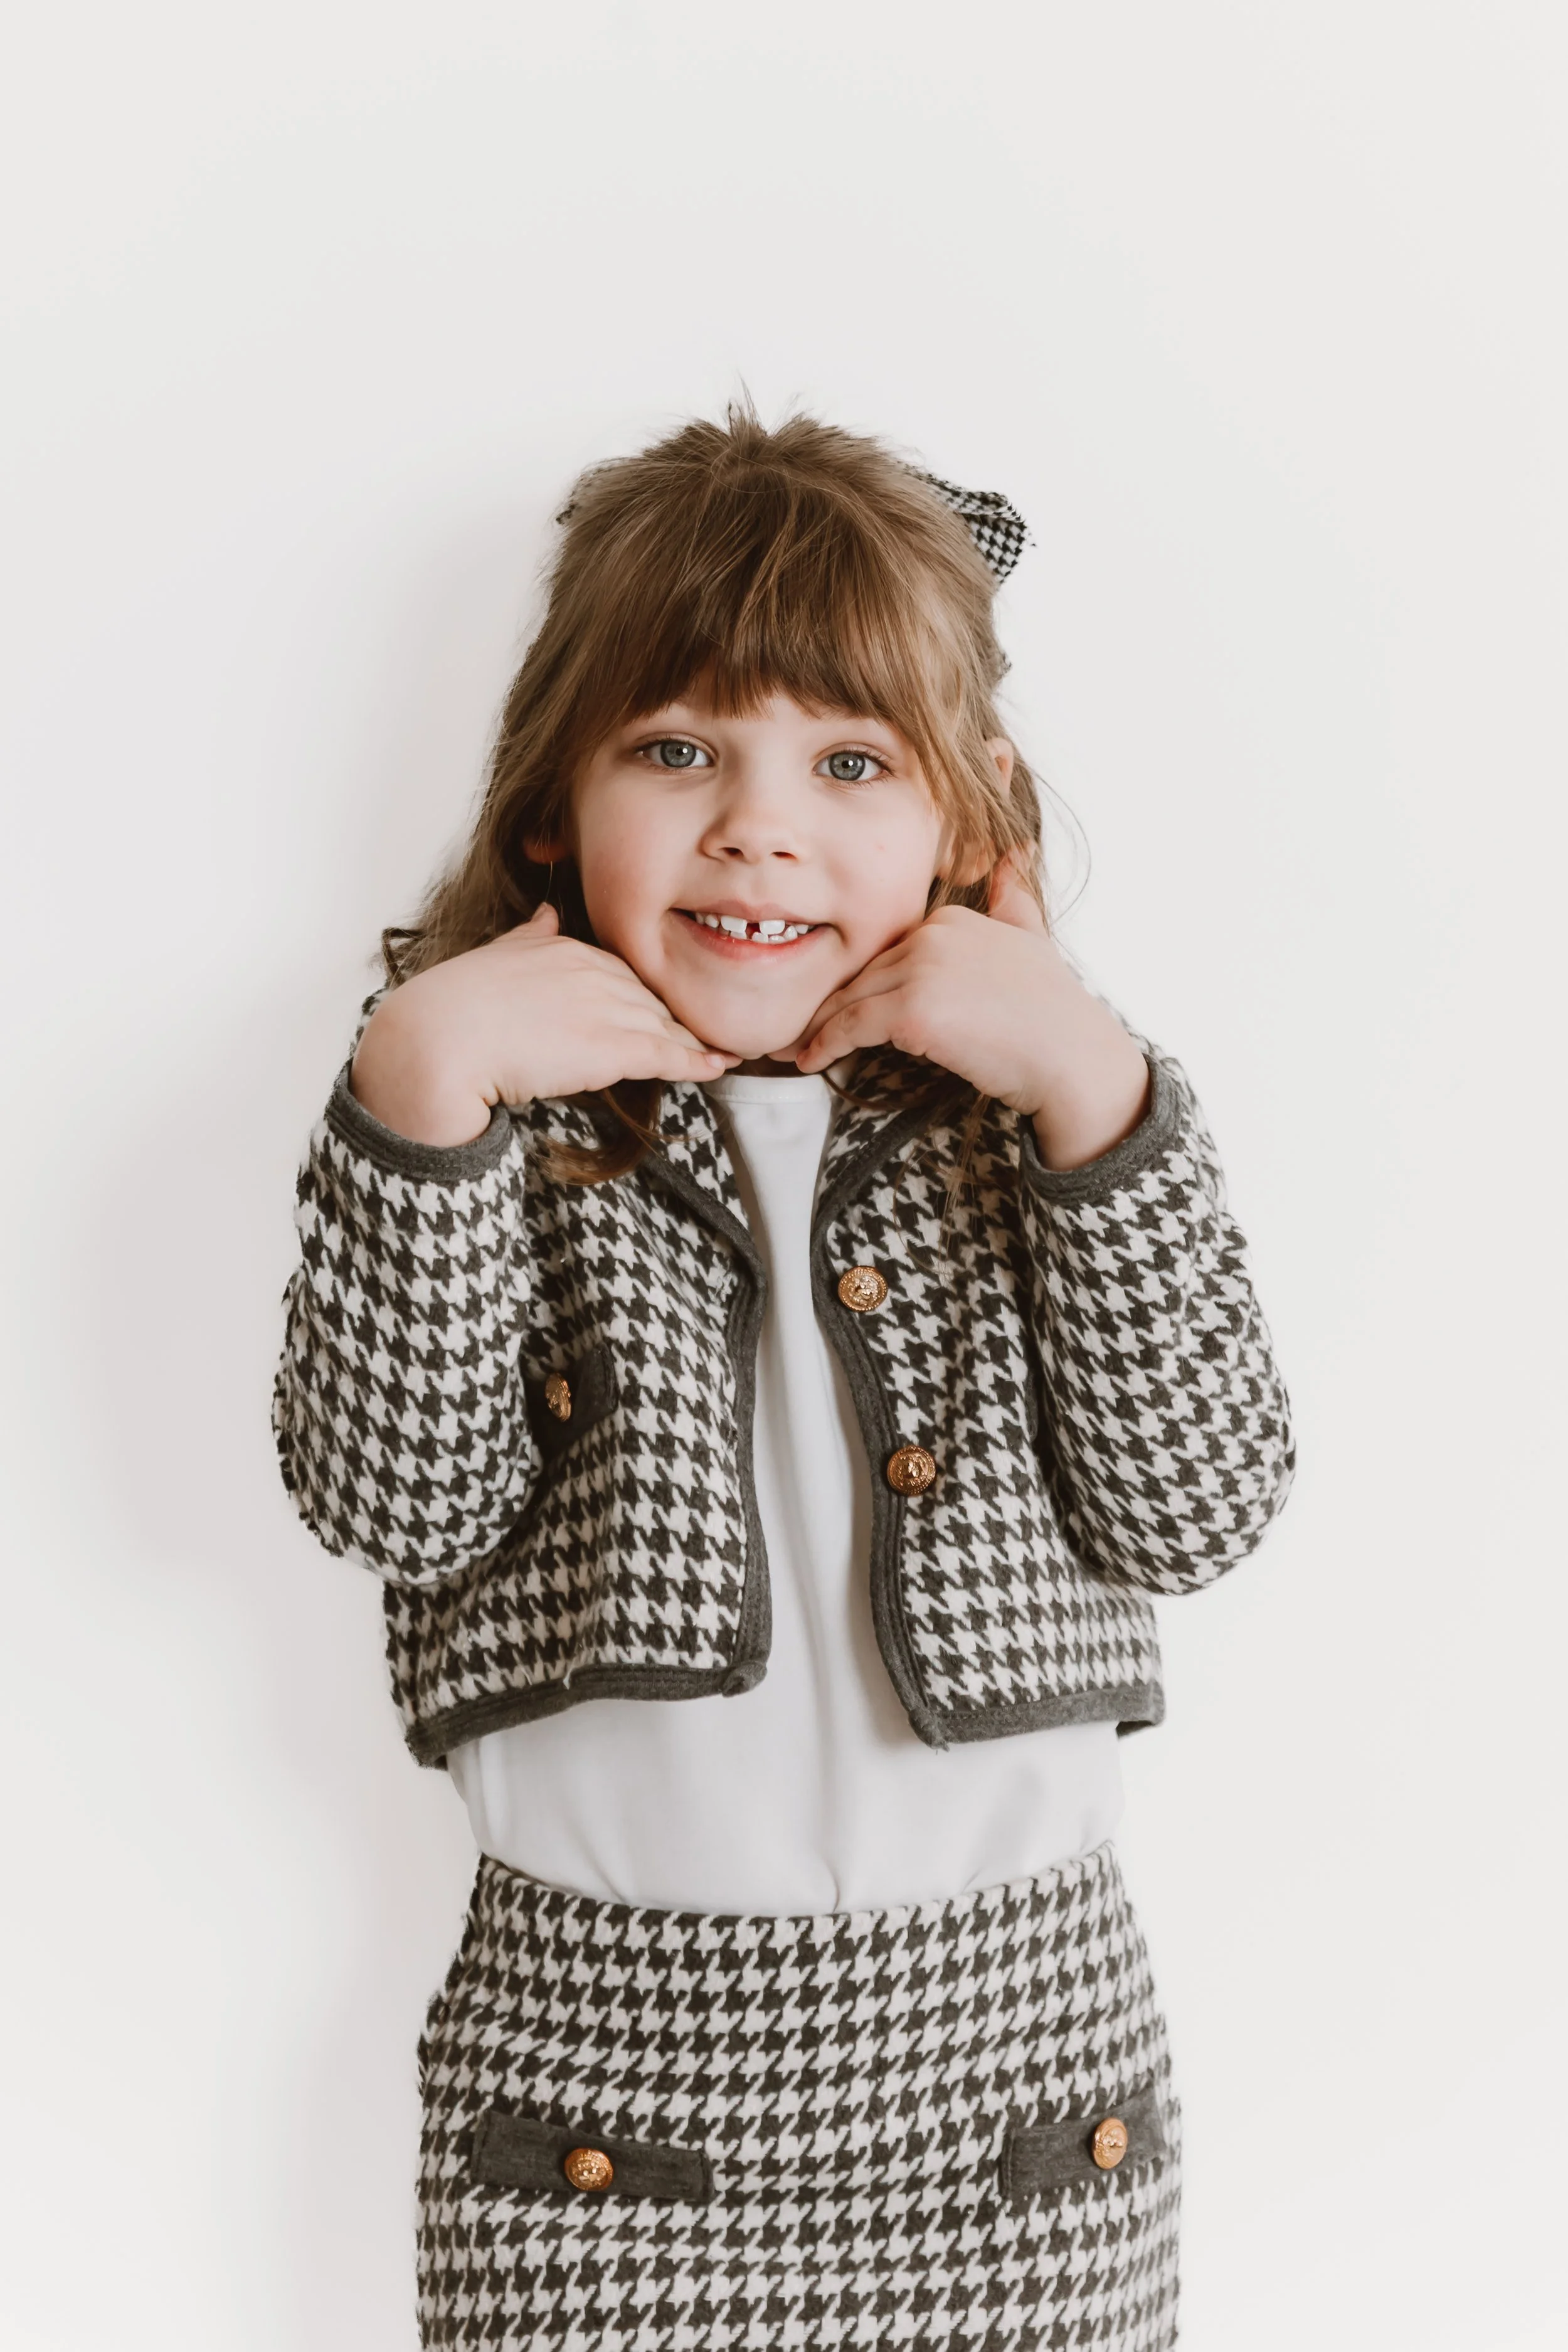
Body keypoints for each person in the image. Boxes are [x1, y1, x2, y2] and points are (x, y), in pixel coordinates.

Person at [273, 408, 1294, 2351]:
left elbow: (1201, 1498)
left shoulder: (1042, 1126)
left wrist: (1095, 1096)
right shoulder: (503, 1128)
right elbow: (387, 1500)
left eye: (850, 762)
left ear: (970, 823)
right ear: (550, 812)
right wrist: (418, 1101)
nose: (760, 824)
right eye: (678, 749)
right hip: (598, 2085)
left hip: (1014, 2077)